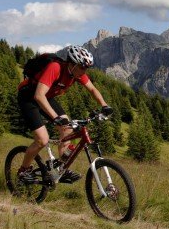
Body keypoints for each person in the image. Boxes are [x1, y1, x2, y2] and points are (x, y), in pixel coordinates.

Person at [16, 45, 112, 184]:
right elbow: (38, 95)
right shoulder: (55, 68)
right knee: (42, 140)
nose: (84, 71)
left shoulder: (77, 73)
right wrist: (55, 118)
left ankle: (61, 169)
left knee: (68, 129)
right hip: (29, 97)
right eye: (82, 67)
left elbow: (92, 89)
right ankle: (23, 171)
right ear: (72, 64)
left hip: (46, 97)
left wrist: (104, 105)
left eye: (86, 68)